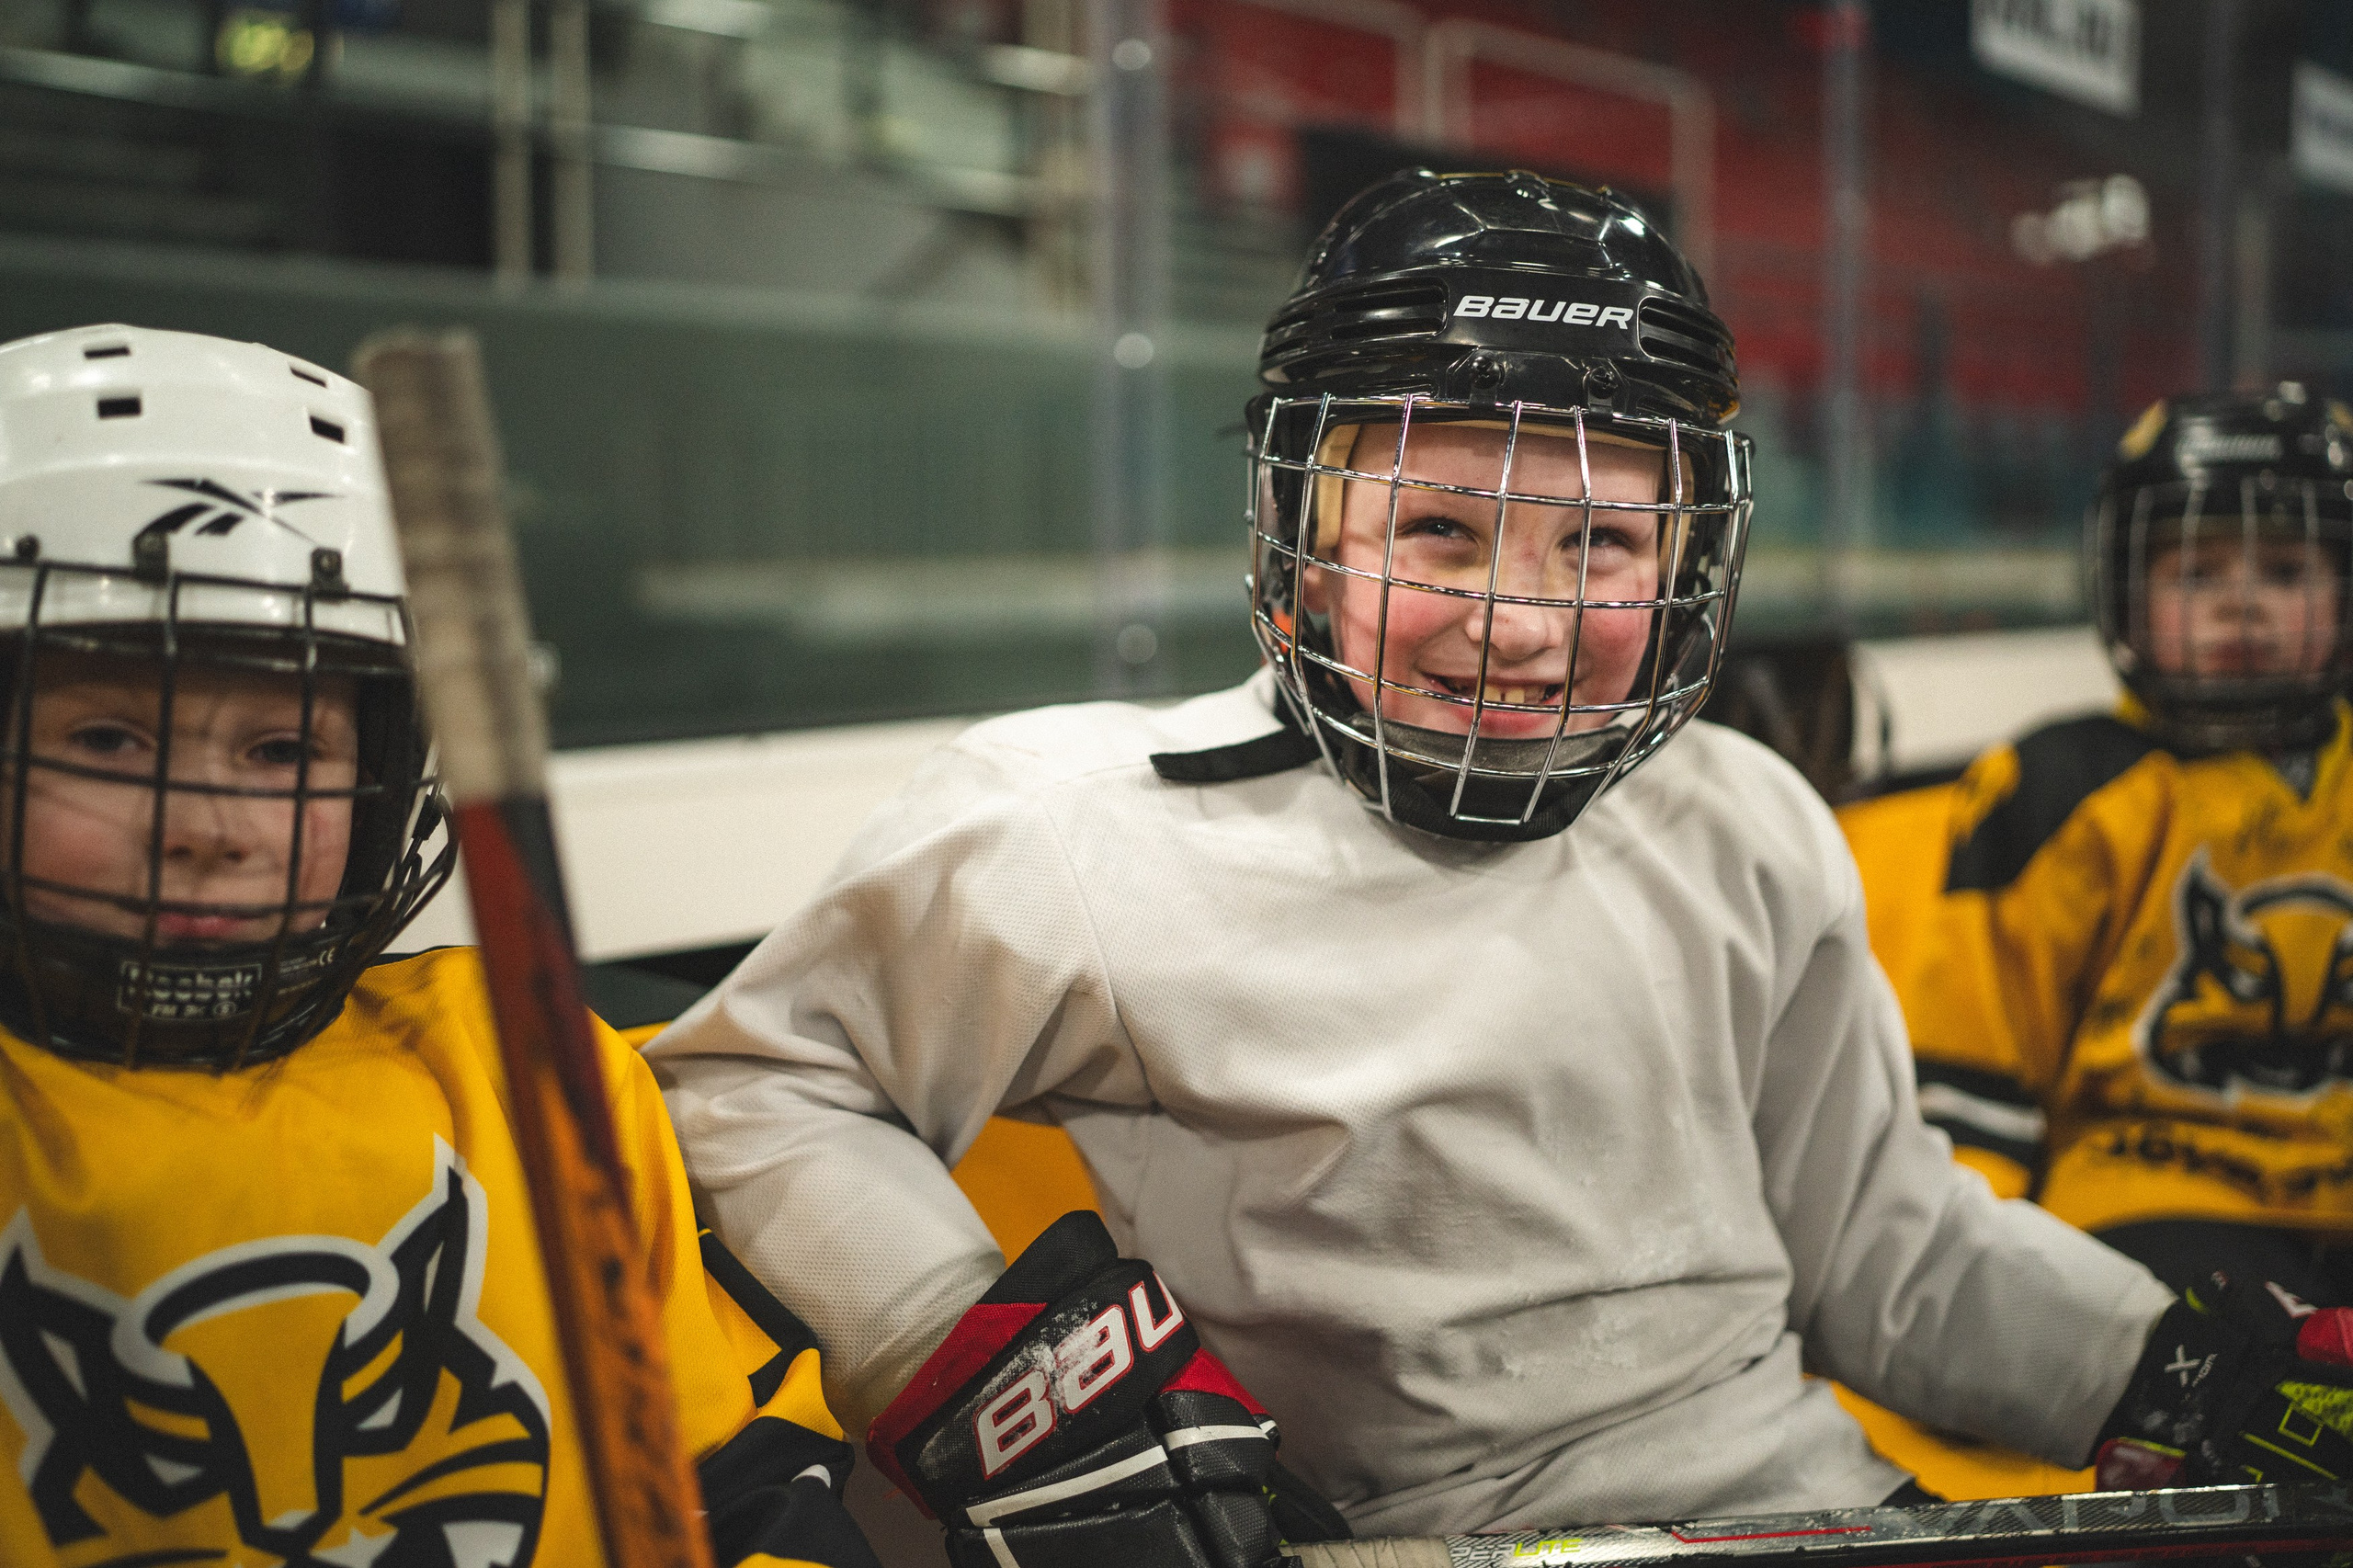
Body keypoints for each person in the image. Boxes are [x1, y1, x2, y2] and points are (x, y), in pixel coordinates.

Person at [650, 173, 2353, 1564]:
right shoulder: (1080, 825)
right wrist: (1003, 1373)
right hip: (1398, 1547)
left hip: (1824, 1514)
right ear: (1309, 540)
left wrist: (2165, 1359)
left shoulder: (1746, 819)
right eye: (1440, 529)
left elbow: (1886, 1251)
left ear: (1688, 561)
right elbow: (750, 1090)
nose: (1518, 625)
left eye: (1600, 542)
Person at [0, 324, 880, 1568]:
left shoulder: (522, 1068)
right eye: (105, 743)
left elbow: (738, 1484)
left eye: (282, 753)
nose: (206, 828)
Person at [1854, 386, 2353, 1308]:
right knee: (2249, 1376)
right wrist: (1964, 1276)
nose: (2241, 605)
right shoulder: (2055, 784)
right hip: (2155, 1190)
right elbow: (1976, 1053)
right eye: (2196, 576)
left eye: (2284, 572)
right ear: (2127, 589)